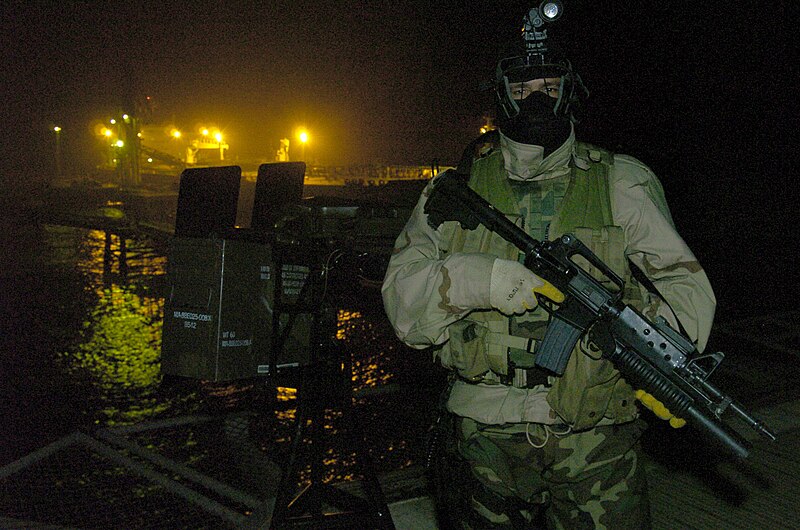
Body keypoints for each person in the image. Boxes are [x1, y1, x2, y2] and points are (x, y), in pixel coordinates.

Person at [381, 4, 716, 529]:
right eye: (520, 86)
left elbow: (688, 289)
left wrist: (639, 342)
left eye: (547, 82)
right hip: (484, 433)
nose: (535, 95)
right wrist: (478, 281)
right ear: (500, 93)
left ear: (570, 89)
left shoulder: (621, 182)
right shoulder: (455, 190)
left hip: (595, 435)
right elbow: (401, 301)